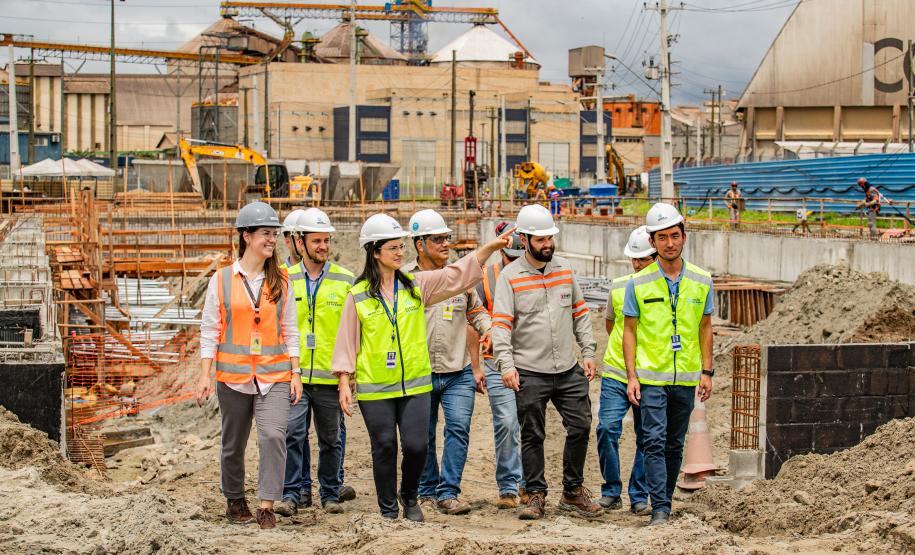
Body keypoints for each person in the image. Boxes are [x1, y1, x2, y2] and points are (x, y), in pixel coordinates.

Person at [332, 214, 514, 521]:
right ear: (375, 252)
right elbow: (347, 339)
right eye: (393, 247)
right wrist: (344, 381)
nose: (400, 252)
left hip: (417, 382)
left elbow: (457, 275)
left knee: (416, 446)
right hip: (376, 386)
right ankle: (390, 508)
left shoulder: (416, 286)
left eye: (401, 246)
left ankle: (411, 495)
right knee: (386, 446)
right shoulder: (359, 293)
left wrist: (490, 248)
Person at [195, 201, 303, 530]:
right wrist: (204, 374)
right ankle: (235, 498)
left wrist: (295, 372)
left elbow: (291, 330)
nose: (272, 239)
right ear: (246, 236)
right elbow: (210, 329)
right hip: (234, 377)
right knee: (233, 443)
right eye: (266, 234)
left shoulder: (282, 281)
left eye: (275, 234)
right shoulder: (222, 280)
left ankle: (267, 504)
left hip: (275, 375)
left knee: (273, 436)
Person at [492, 204, 602, 521]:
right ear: (524, 239)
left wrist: (589, 352)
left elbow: (580, 313)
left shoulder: (565, 270)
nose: (547, 245)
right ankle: (536, 494)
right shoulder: (509, 278)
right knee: (532, 435)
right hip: (529, 370)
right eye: (540, 240)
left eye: (549, 238)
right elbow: (501, 326)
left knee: (581, 425)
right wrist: (507, 366)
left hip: (568, 369)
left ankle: (572, 492)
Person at [622, 202, 715, 526]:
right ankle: (659, 507)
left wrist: (707, 371)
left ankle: (666, 500)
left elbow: (705, 326)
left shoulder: (702, 281)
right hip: (651, 378)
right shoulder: (638, 283)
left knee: (675, 443)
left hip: (687, 377)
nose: (669, 243)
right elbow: (629, 331)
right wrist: (632, 375)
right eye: (662, 238)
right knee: (653, 439)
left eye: (674, 236)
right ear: (652, 241)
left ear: (684, 237)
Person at [403, 209, 492, 516]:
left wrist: (488, 328)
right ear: (419, 244)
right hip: (420, 372)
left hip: (459, 371)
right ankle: (426, 489)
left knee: (457, 428)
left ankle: (448, 492)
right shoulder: (404, 280)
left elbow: (476, 312)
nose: (445, 245)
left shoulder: (459, 278)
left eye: (446, 239)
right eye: (437, 239)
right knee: (422, 434)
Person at [275, 208, 356, 517]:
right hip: (293, 374)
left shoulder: (345, 280)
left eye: (326, 240)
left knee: (331, 438)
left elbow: (352, 333)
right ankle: (293, 493)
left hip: (330, 375)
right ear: (300, 242)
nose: (323, 246)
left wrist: (347, 376)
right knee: (293, 434)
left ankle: (330, 493)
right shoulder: (284, 279)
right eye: (317, 241)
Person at [596, 226, 654, 515]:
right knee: (606, 428)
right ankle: (611, 489)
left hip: (651, 375)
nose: (636, 264)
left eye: (642, 259)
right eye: (634, 259)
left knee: (648, 437)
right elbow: (611, 325)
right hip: (617, 372)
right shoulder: (619, 287)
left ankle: (639, 493)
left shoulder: (663, 289)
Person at [469, 221, 526, 509]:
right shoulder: (486, 278)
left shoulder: (536, 273)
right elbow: (473, 319)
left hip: (529, 362)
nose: (513, 263)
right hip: (495, 363)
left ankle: (529, 485)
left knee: (529, 423)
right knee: (506, 422)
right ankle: (508, 486)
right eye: (509, 258)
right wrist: (475, 366)